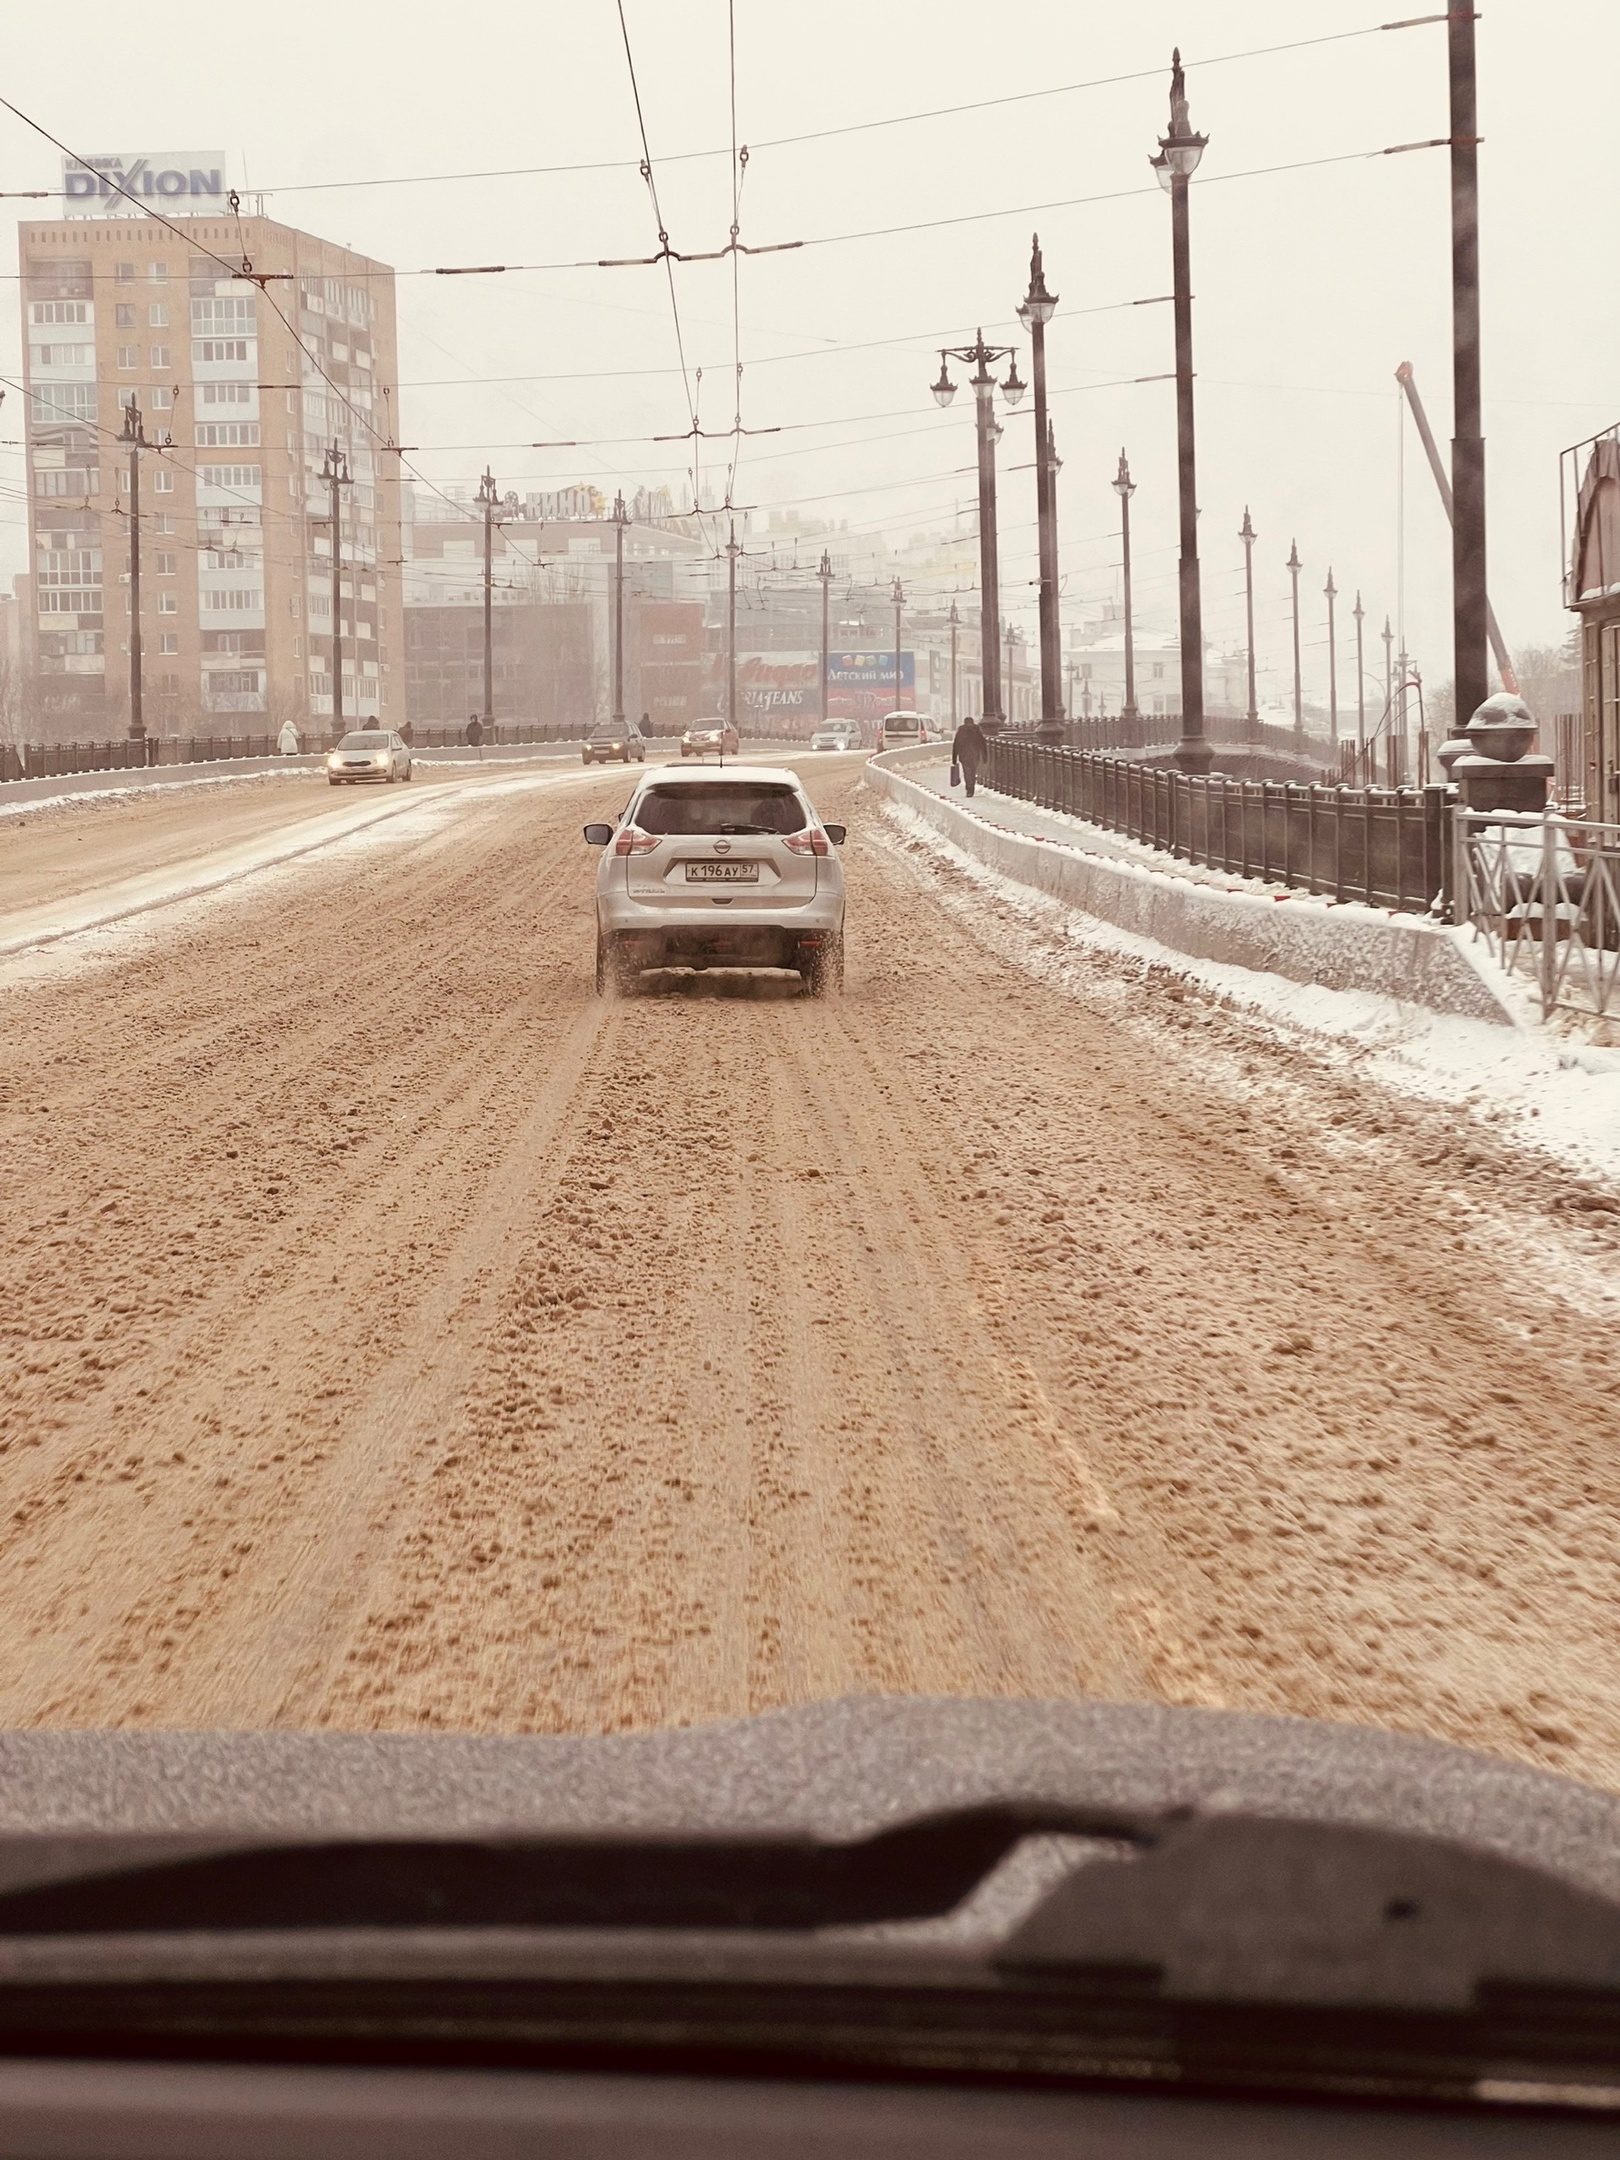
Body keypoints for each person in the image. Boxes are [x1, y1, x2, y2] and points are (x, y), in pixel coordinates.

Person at [952, 712, 987, 799]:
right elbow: (982, 743)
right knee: (973, 772)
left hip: (964, 756)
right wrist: (985, 755)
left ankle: (969, 789)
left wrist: (954, 758)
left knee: (967, 773)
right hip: (975, 755)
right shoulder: (976, 730)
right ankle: (972, 787)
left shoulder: (961, 730)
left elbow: (956, 744)